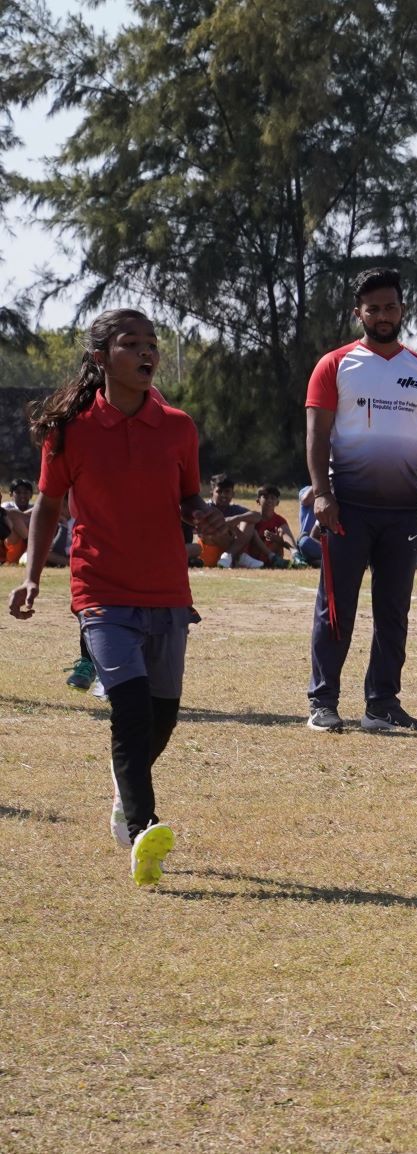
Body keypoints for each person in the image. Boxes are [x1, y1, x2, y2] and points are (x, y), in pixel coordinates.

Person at [7, 308, 226, 886]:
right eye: (132, 344)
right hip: (101, 590)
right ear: (102, 359)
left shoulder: (178, 427)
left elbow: (187, 497)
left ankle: (124, 793)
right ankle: (144, 827)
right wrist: (32, 576)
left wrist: (202, 517)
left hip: (167, 590)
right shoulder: (70, 432)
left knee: (161, 718)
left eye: (152, 343)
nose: (148, 352)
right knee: (128, 710)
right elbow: (49, 508)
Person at [304, 266, 417, 734]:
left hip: (403, 511)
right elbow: (316, 434)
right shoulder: (335, 364)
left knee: (393, 611)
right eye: (373, 309)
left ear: (402, 310)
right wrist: (323, 495)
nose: (383, 315)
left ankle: (382, 704)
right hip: (346, 507)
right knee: (336, 607)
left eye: (390, 307)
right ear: (358, 313)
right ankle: (323, 703)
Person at [200, 473, 267, 569]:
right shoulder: (206, 508)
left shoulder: (234, 509)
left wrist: (236, 519)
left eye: (227, 492)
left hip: (226, 556)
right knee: (214, 526)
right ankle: (239, 557)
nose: (223, 495)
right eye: (219, 491)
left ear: (233, 494)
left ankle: (230, 555)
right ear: (212, 492)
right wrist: (226, 524)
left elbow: (257, 516)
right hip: (209, 551)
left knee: (248, 521)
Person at [255, 485, 295, 566]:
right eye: (265, 497)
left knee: (283, 530)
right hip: (256, 558)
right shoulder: (254, 519)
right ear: (258, 501)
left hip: (275, 560)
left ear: (277, 502)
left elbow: (286, 545)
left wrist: (277, 539)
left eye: (272, 498)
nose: (269, 500)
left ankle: (296, 554)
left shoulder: (280, 521)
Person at [3, 478, 33, 564]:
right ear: (11, 494)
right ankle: (31, 544)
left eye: (26, 492)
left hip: (25, 541)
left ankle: (28, 551)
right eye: (18, 492)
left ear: (31, 495)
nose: (22, 496)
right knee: (12, 516)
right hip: (11, 542)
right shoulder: (7, 506)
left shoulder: (33, 507)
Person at [295, 485, 323, 567]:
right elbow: (305, 499)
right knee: (304, 542)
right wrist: (323, 481)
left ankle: (317, 561)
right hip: (310, 540)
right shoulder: (306, 490)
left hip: (328, 543)